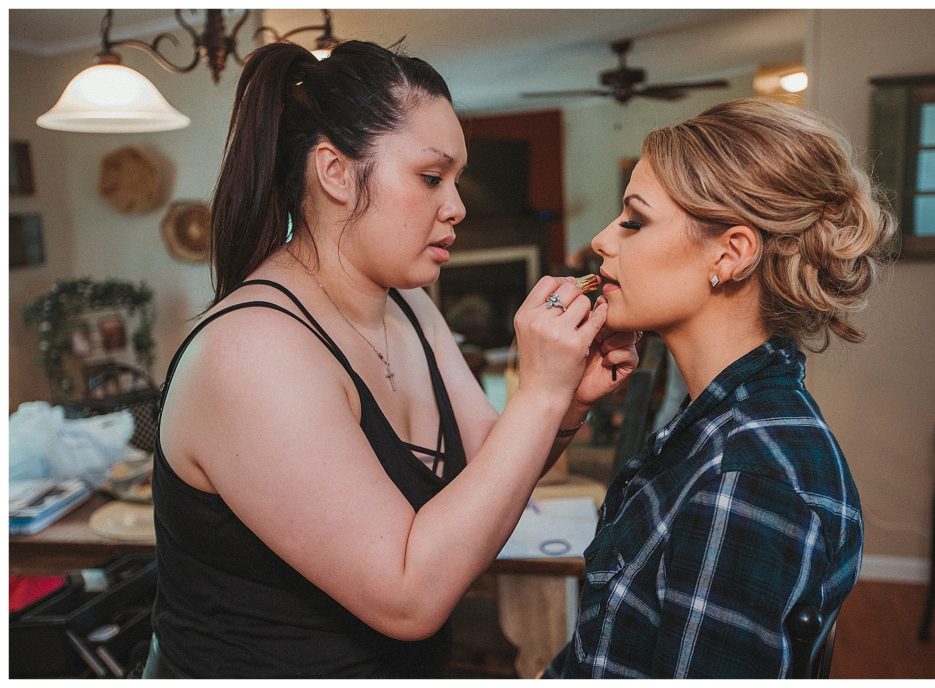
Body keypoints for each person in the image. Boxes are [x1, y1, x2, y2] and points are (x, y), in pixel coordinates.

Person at [142, 40, 637, 679]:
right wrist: (538, 396)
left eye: (455, 180)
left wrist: (567, 399)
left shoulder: (407, 305)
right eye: (432, 177)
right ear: (336, 172)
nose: (457, 205)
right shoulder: (252, 352)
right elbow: (409, 598)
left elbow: (493, 471)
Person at [543, 98, 896, 679]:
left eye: (634, 220)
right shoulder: (716, 421)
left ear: (730, 255)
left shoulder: (746, 484)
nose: (603, 239)